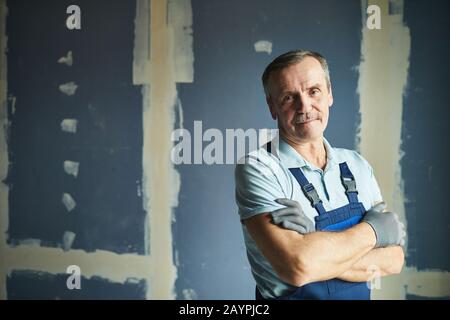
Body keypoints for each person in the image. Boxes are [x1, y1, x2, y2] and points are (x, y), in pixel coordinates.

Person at [234, 50, 405, 300]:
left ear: (329, 94)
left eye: (313, 91)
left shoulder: (356, 165)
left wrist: (313, 243)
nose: (304, 106)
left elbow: (393, 260)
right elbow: (298, 267)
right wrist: (374, 231)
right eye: (289, 97)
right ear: (272, 107)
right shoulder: (259, 168)